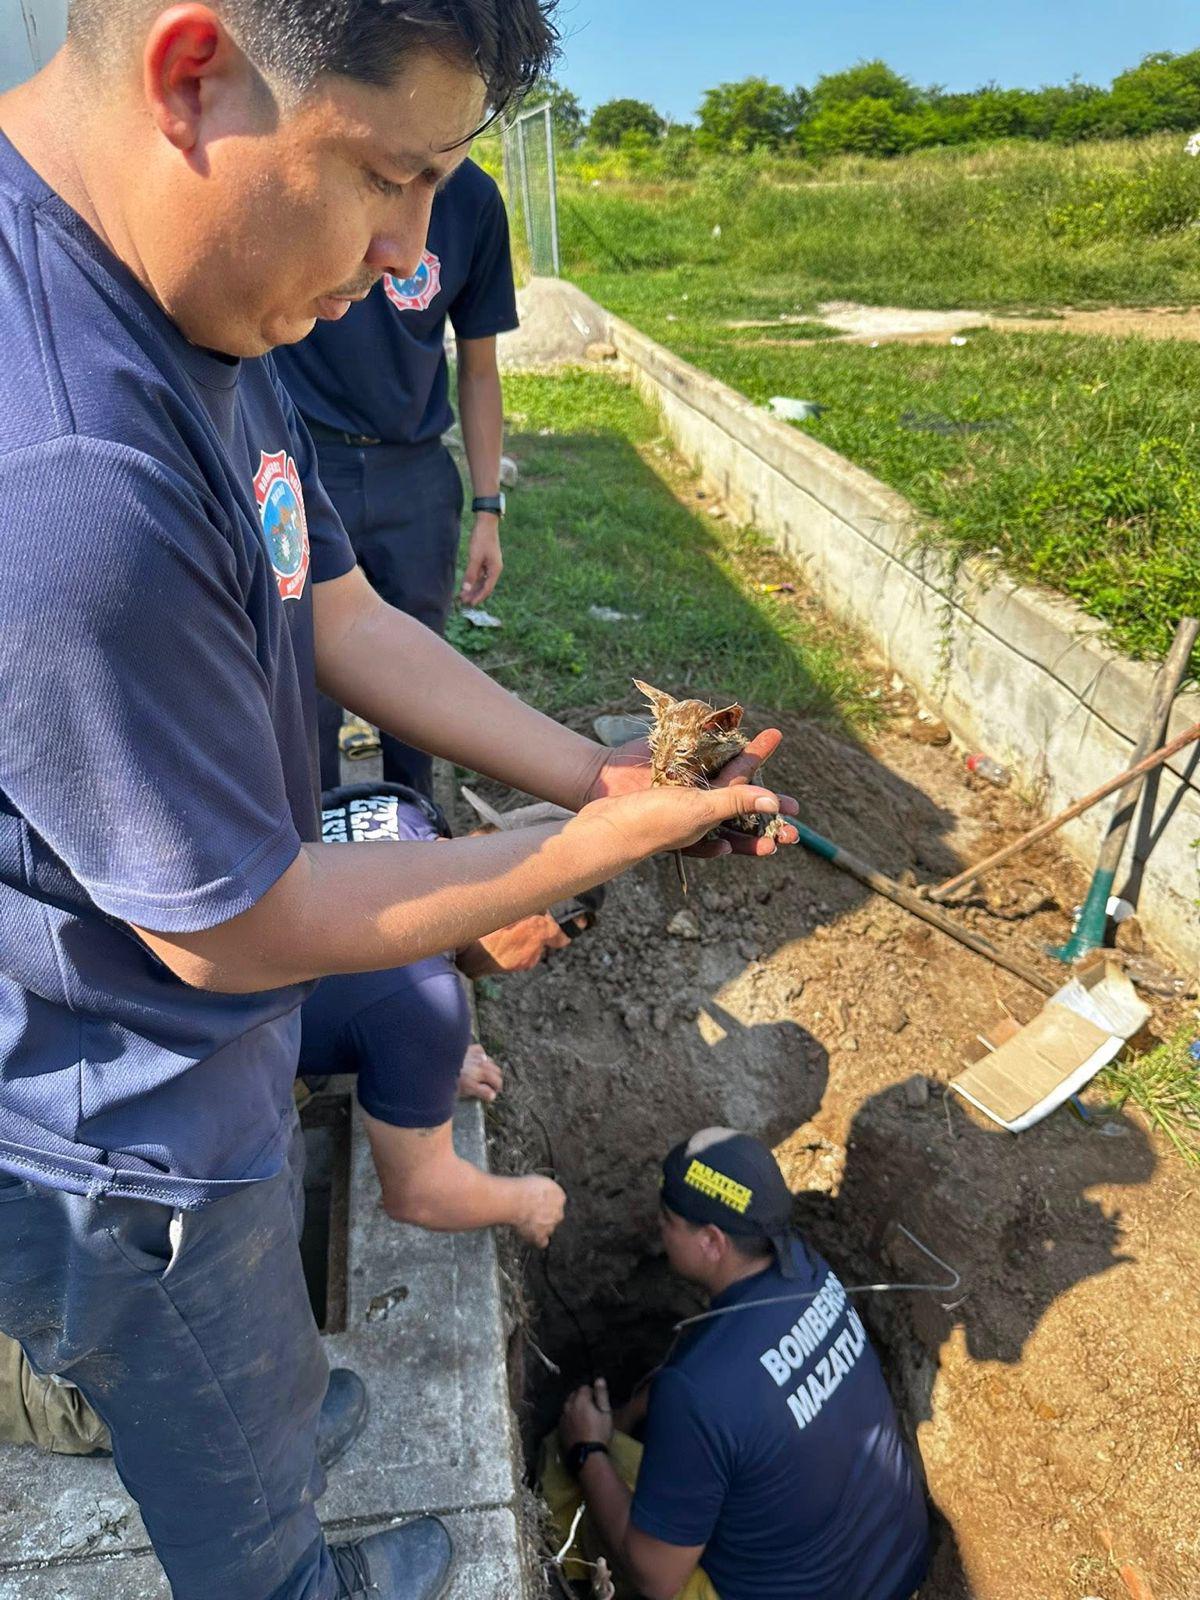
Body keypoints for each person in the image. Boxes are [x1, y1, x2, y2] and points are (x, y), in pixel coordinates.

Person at [0, 4, 796, 1596]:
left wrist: (603, 773)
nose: (406, 251)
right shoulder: (71, 463)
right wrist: (571, 852)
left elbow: (339, 611)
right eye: (389, 175)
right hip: (123, 1132)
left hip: (211, 1046)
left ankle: (279, 1407)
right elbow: (234, 934)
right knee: (224, 1477)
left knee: (262, 1360)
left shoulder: (203, 297)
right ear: (191, 74)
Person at [544, 1130, 930, 1600]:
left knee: (561, 1465)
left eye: (669, 1220)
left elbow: (656, 1577)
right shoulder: (810, 1271)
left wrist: (588, 1451)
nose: (659, 1231)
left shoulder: (697, 1393)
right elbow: (740, 1393)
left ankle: (557, 1570)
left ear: (711, 1241)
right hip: (897, 1564)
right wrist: (634, 1413)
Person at [273, 156, 518, 796]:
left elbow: (480, 367)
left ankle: (415, 823)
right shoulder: (313, 170)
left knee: (416, 671)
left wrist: (488, 507)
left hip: (415, 472)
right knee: (306, 678)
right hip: (304, 464)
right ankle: (317, 837)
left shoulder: (472, 201)